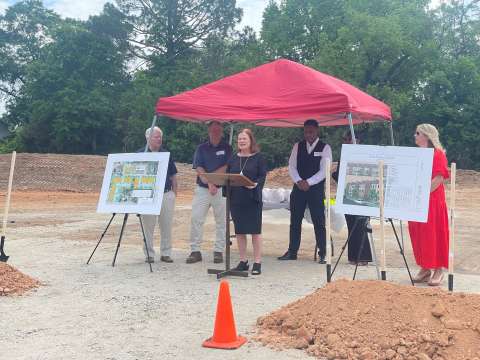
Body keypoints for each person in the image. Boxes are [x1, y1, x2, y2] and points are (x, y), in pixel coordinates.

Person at [278, 119, 332, 263]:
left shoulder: (325, 148)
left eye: (311, 132)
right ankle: (292, 251)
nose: (308, 135)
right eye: (306, 131)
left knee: (319, 221)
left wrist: (309, 182)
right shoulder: (298, 146)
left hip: (315, 189)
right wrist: (298, 181)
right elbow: (291, 166)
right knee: (295, 221)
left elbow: (324, 171)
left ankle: (323, 253)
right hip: (299, 188)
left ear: (317, 131)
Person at [408, 123, 450, 286]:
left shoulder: (438, 154)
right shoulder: (418, 154)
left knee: (434, 233)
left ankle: (439, 269)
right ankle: (425, 267)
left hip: (432, 201)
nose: (415, 136)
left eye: (417, 133)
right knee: (419, 233)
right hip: (416, 200)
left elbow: (438, 179)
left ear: (426, 136)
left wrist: (422, 193)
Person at [186, 121, 232, 264]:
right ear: (208, 131)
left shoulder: (228, 148)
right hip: (203, 189)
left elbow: (227, 166)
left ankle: (218, 251)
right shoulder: (201, 148)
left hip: (221, 189)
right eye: (213, 130)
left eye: (218, 130)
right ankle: (195, 250)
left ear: (222, 132)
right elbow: (198, 168)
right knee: (196, 219)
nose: (215, 133)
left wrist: (213, 180)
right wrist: (211, 182)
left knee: (222, 221)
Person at [227, 129, 267, 275]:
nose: (241, 141)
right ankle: (243, 261)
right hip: (236, 199)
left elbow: (263, 175)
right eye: (239, 139)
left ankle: (257, 262)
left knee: (255, 231)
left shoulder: (258, 158)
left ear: (251, 141)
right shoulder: (232, 158)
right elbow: (228, 176)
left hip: (252, 198)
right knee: (240, 231)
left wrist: (255, 184)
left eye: (244, 139)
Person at [332, 131, 372, 265]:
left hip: (362, 193)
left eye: (349, 139)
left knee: (361, 224)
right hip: (346, 192)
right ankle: (353, 256)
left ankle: (363, 257)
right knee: (351, 225)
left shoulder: (365, 154)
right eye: (345, 139)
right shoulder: (344, 154)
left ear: (358, 141)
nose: (346, 141)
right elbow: (338, 174)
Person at [139, 126, 177, 263]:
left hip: (166, 194)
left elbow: (173, 175)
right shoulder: (140, 154)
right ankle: (149, 254)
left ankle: (166, 253)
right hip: (148, 195)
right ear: (148, 138)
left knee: (166, 225)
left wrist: (174, 194)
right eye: (156, 137)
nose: (159, 139)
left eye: (160, 136)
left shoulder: (167, 154)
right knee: (148, 226)